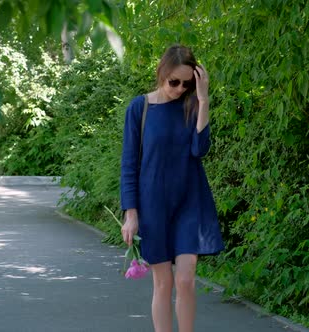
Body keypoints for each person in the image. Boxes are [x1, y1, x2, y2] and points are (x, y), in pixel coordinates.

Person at [119, 44, 225, 332]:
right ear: (162, 73)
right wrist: (131, 213)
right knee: (163, 283)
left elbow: (199, 150)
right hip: (153, 205)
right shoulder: (139, 109)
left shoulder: (191, 105)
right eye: (174, 82)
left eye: (186, 83)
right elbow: (129, 164)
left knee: (186, 279)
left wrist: (203, 100)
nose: (179, 89)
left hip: (190, 200)